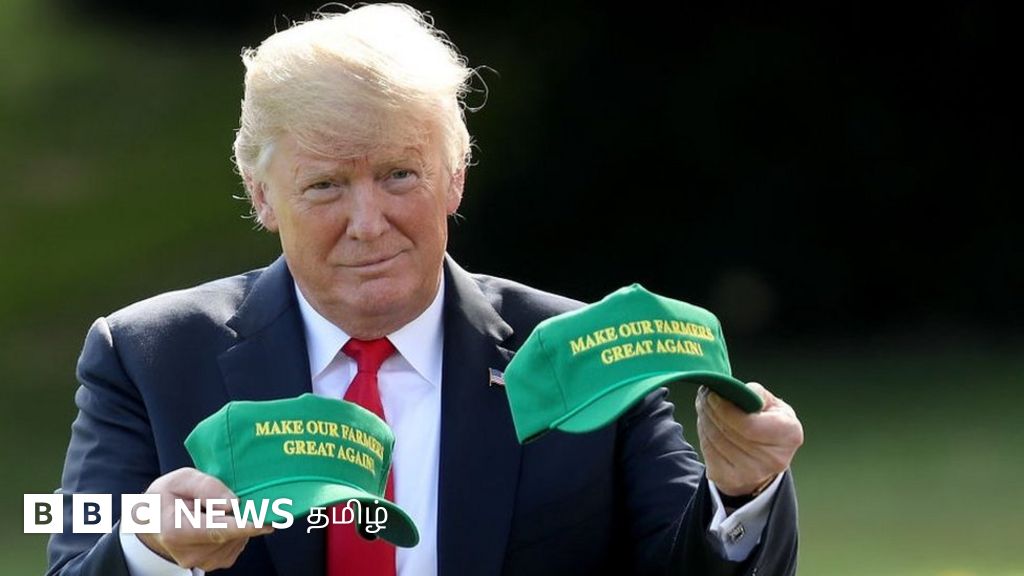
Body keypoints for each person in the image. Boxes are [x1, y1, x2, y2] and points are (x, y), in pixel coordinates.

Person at [47, 4, 804, 575]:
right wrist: (150, 548)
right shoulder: (148, 358)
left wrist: (742, 495)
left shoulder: (583, 357)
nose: (368, 223)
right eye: (325, 185)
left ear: (454, 178)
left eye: (399, 174)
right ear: (262, 195)